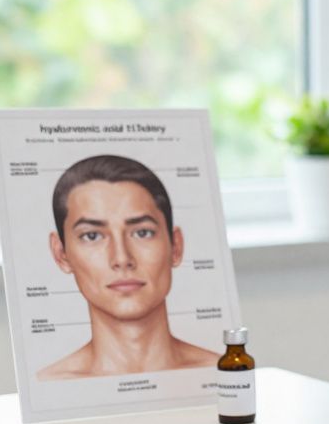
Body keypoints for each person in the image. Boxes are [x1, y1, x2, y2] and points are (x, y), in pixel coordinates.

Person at [39, 154, 215, 380]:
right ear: (61, 254)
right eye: (92, 236)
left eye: (143, 233)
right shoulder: (49, 385)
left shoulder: (221, 373)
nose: (121, 258)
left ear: (176, 246)